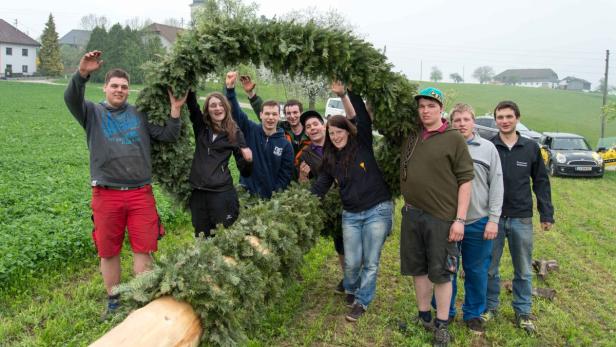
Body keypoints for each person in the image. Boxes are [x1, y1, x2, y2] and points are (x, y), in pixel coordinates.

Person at [63, 50, 181, 317]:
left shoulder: (139, 114)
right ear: (104, 88)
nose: (119, 90)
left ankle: (140, 298)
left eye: (124, 87)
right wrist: (82, 74)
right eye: (114, 86)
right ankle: (115, 300)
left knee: (144, 247)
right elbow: (71, 98)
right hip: (106, 194)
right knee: (108, 250)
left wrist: (175, 111)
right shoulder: (91, 112)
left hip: (140, 193)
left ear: (130, 90)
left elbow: (167, 136)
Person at [311, 81, 393, 323]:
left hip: (377, 209)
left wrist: (347, 92)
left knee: (370, 260)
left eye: (339, 132)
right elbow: (320, 186)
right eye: (332, 133)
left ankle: (362, 301)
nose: (336, 136)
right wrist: (304, 203)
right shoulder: (329, 159)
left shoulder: (362, 144)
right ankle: (352, 287)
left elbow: (362, 119)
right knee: (352, 261)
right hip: (351, 214)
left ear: (348, 131)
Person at [399, 87, 474, 346]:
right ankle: (423, 316)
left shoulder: (454, 138)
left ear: (441, 108)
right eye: (421, 106)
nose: (425, 110)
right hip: (411, 214)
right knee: (418, 269)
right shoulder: (412, 136)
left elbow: (466, 181)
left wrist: (460, 220)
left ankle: (442, 324)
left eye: (430, 106)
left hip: (441, 218)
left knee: (442, 273)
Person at [484, 100, 554, 334]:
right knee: (490, 268)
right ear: (495, 120)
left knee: (523, 269)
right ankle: (490, 307)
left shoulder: (531, 148)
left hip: (521, 217)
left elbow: (541, 182)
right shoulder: (489, 146)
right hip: (492, 218)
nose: (504, 121)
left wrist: (546, 213)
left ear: (517, 118)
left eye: (508, 116)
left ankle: (523, 312)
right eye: (500, 117)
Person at [446, 103, 503, 334]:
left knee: (477, 271)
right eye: (457, 120)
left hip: (478, 220)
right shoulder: (445, 145)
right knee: (446, 269)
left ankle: (473, 314)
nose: (461, 124)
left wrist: (493, 219)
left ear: (473, 122)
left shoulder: (487, 148)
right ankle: (445, 311)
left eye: (466, 119)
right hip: (448, 220)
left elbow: (497, 185)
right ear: (451, 123)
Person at [168, 89, 253, 238]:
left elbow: (245, 171)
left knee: (222, 236)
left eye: (221, 104)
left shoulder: (234, 132)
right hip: (199, 193)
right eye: (213, 105)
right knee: (201, 236)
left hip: (221, 194)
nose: (218, 108)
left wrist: (248, 160)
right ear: (207, 109)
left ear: (226, 108)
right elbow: (193, 106)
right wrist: (190, 85)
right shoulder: (201, 127)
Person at [296, 110, 345, 294]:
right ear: (306, 132)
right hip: (331, 205)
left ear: (323, 125)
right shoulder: (305, 154)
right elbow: (304, 186)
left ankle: (358, 278)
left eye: (315, 124)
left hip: (351, 199)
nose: (312, 128)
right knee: (340, 243)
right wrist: (302, 175)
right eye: (308, 127)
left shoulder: (338, 142)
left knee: (356, 243)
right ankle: (348, 278)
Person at [224, 71, 294, 199]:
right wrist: (230, 90)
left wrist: (274, 197)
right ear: (261, 115)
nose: (270, 117)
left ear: (279, 117)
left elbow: (285, 176)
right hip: (246, 196)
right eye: (267, 114)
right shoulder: (251, 130)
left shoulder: (285, 145)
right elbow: (236, 113)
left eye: (274, 114)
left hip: (268, 203)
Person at [239, 75, 310, 156]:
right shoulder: (281, 127)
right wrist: (250, 93)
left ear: (301, 112)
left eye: (295, 112)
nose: (292, 116)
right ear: (285, 115)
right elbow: (265, 113)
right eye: (288, 113)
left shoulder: (309, 130)